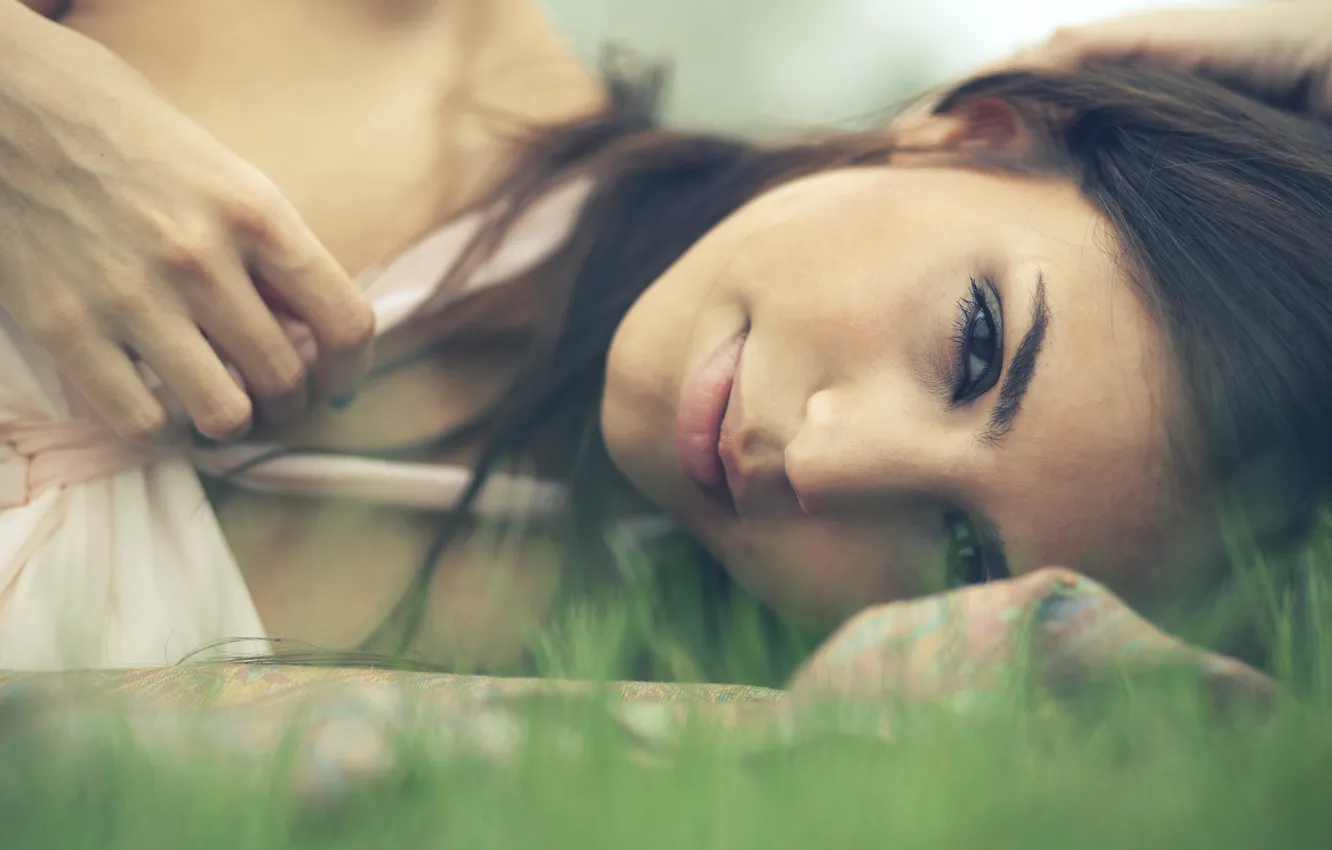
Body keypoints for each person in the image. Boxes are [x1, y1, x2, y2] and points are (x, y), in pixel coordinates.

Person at [1, 0, 1330, 672]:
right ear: (987, 132)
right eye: (975, 348)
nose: (826, 459)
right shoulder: (386, 29)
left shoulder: (616, 693)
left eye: (959, 555)